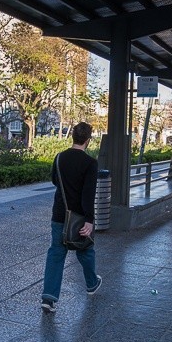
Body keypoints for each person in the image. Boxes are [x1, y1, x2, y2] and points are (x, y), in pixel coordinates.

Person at [41, 121, 102, 313]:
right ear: (88, 140)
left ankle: (49, 298)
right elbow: (88, 193)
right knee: (85, 250)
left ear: (73, 137)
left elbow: (54, 180)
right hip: (78, 217)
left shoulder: (59, 158)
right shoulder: (90, 163)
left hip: (59, 214)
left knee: (56, 253)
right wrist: (89, 220)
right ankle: (92, 284)